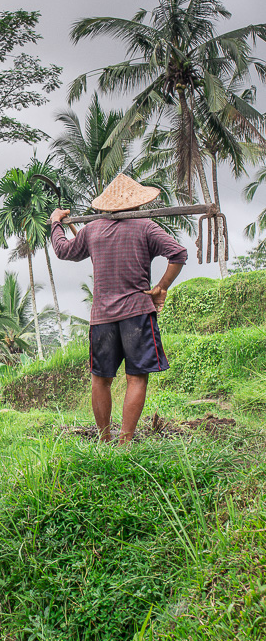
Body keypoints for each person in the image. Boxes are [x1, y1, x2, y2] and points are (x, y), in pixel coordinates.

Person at [50, 174, 187, 444]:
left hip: (102, 317)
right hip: (137, 314)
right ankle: (125, 441)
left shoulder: (92, 230)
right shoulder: (146, 227)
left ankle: (104, 439)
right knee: (136, 378)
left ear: (106, 206)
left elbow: (63, 249)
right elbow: (178, 254)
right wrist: (161, 287)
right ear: (136, 204)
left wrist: (56, 222)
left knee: (101, 379)